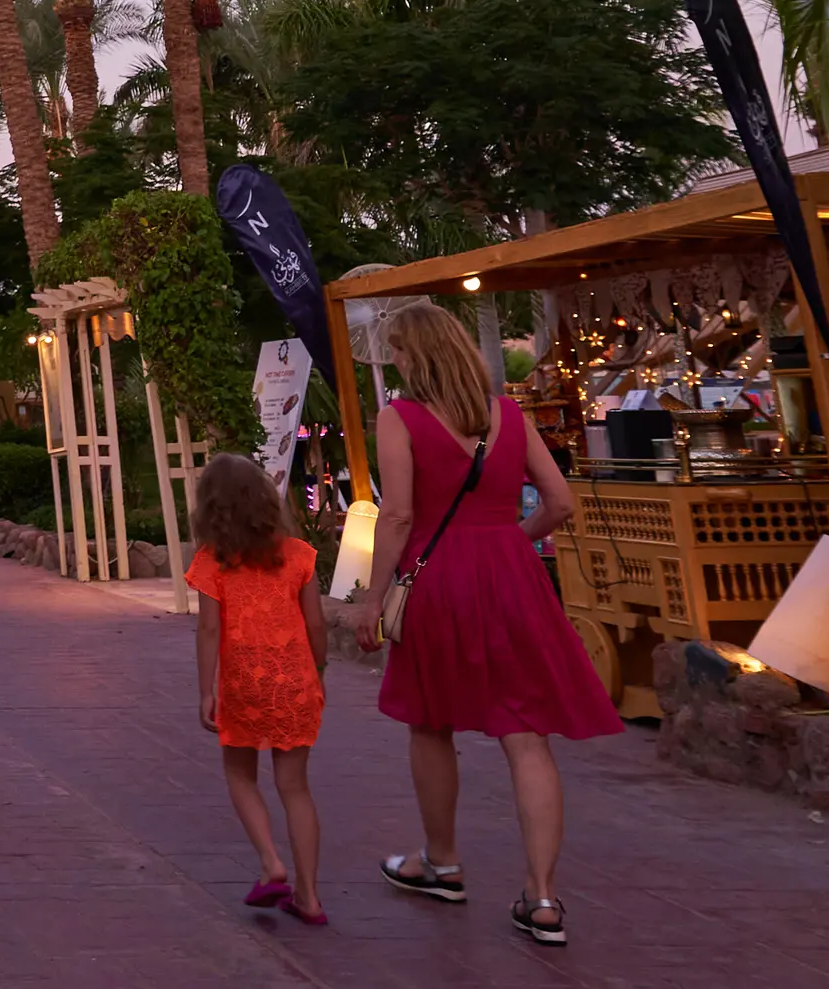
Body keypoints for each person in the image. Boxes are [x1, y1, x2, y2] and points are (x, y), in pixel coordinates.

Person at [355, 301, 622, 947]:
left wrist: (372, 598)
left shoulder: (402, 418)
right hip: (512, 576)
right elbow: (559, 502)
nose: (395, 361)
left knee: (431, 720)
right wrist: (510, 540)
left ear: (414, 355)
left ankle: (442, 862)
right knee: (527, 736)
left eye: (398, 350)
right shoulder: (509, 414)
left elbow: (396, 517)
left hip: (438, 577)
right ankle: (544, 897)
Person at [187, 453, 330, 926]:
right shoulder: (297, 555)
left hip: (244, 683)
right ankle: (308, 897)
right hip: (295, 681)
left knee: (241, 775)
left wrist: (206, 690)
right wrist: (319, 672)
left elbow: (209, 630)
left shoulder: (213, 563)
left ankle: (271, 862)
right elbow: (315, 624)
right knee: (296, 786)